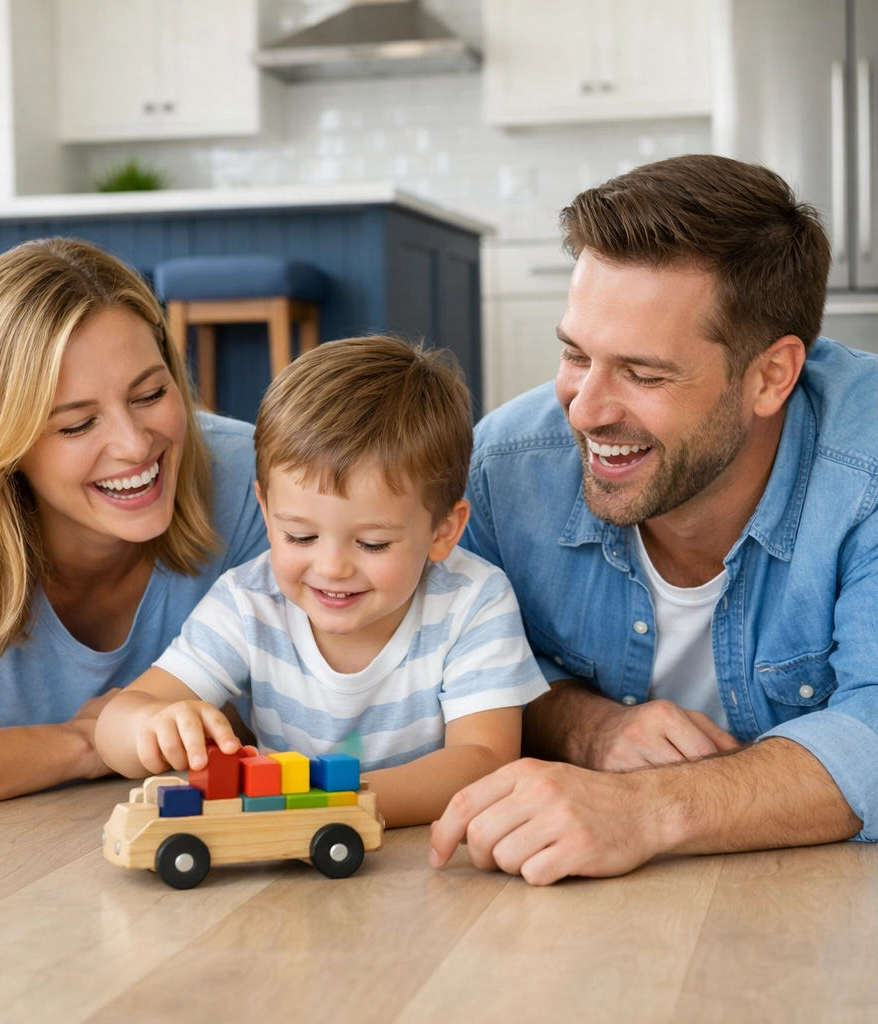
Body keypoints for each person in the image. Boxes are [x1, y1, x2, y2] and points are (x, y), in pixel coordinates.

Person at [429, 154, 877, 884]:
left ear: (771, 375)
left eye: (643, 374)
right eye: (576, 354)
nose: (586, 408)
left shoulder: (866, 471)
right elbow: (434, 669)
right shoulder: (501, 473)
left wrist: (644, 809)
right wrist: (589, 727)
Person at [0, 238, 267, 819]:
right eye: (76, 424)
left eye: (150, 393)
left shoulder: (248, 476)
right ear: (2, 442)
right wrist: (87, 745)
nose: (133, 444)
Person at [95, 335, 547, 826]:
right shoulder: (249, 602)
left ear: (444, 530)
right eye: (300, 536)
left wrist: (322, 801)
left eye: (372, 544)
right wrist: (150, 723)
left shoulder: (473, 601)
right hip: (284, 858)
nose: (332, 568)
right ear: (267, 512)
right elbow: (114, 728)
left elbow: (484, 763)